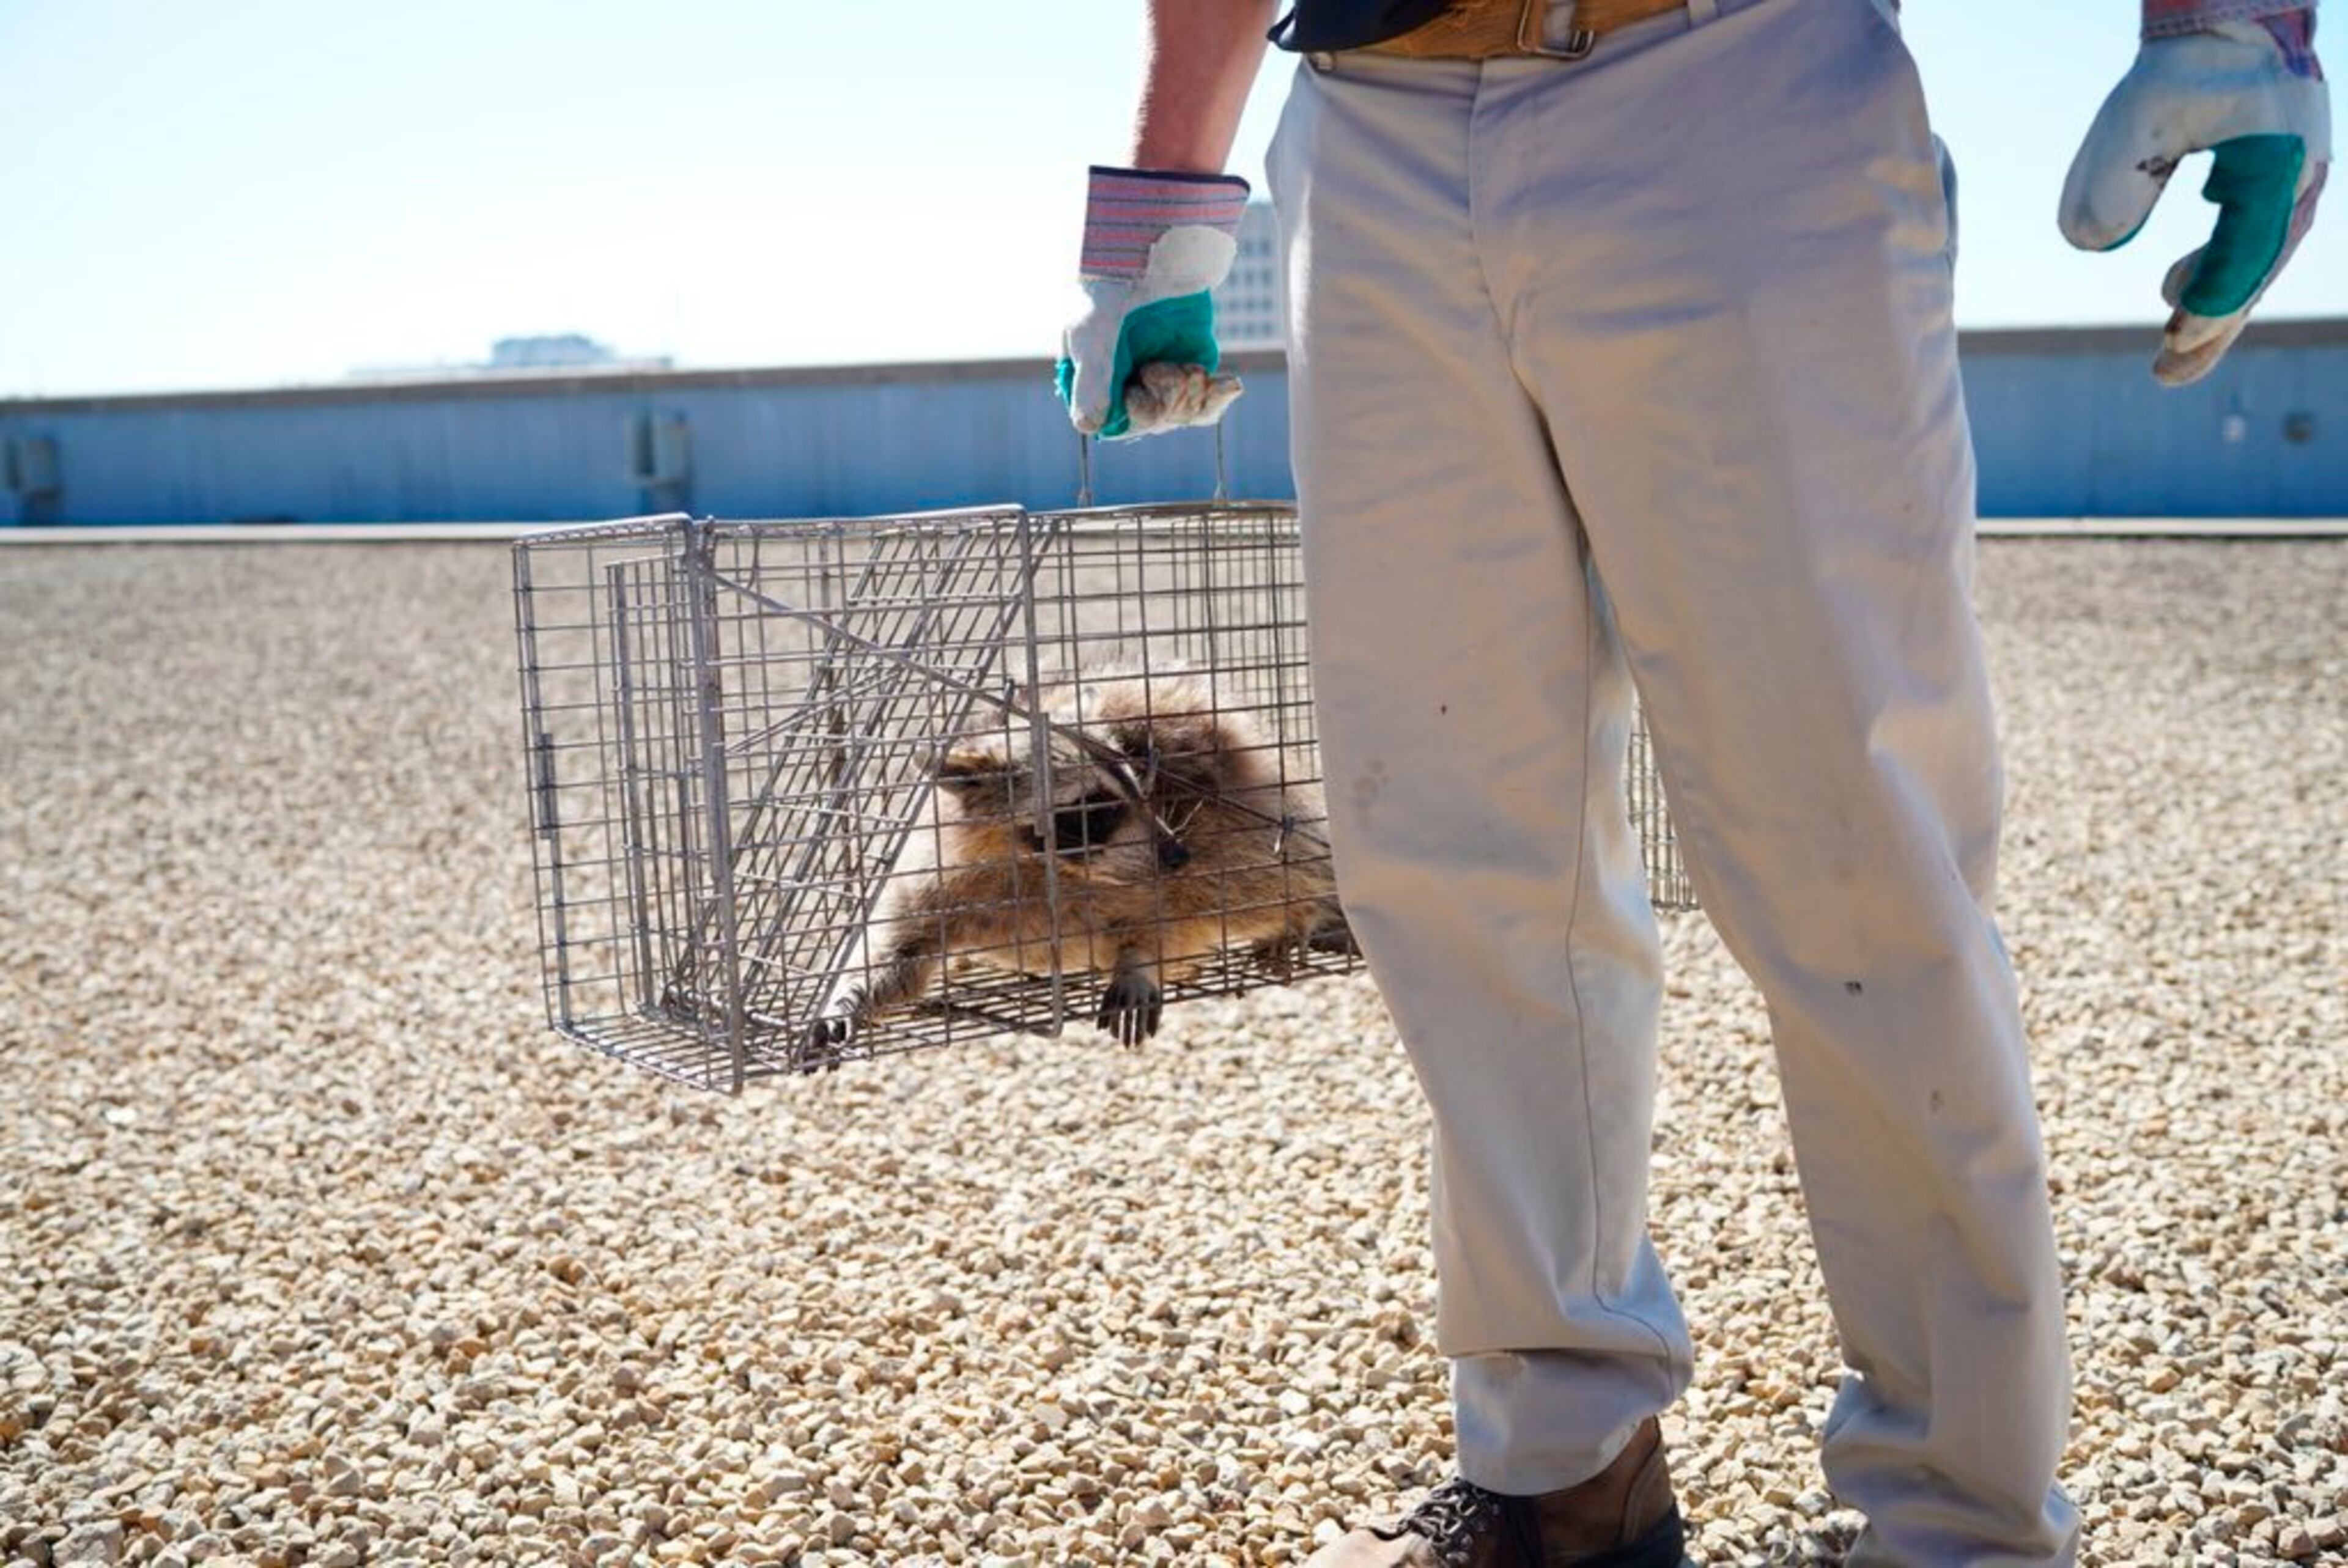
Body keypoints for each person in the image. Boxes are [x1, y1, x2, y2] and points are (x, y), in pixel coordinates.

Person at [1057, 2, 2329, 1563]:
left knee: (1857, 845)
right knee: (1455, 850)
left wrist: (2237, 29)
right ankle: (1562, 1472)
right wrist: (1170, 182)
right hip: (1370, 111)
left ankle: (1961, 1522)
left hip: (1732, 71)